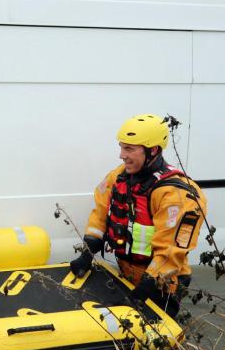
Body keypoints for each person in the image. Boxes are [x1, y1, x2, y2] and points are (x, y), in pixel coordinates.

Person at [69, 114, 207, 317]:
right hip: (127, 271)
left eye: (129, 149)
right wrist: (86, 254)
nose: (121, 155)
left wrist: (141, 294)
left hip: (161, 283)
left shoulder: (176, 195)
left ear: (153, 150)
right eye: (121, 147)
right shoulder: (118, 177)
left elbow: (170, 253)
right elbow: (99, 216)